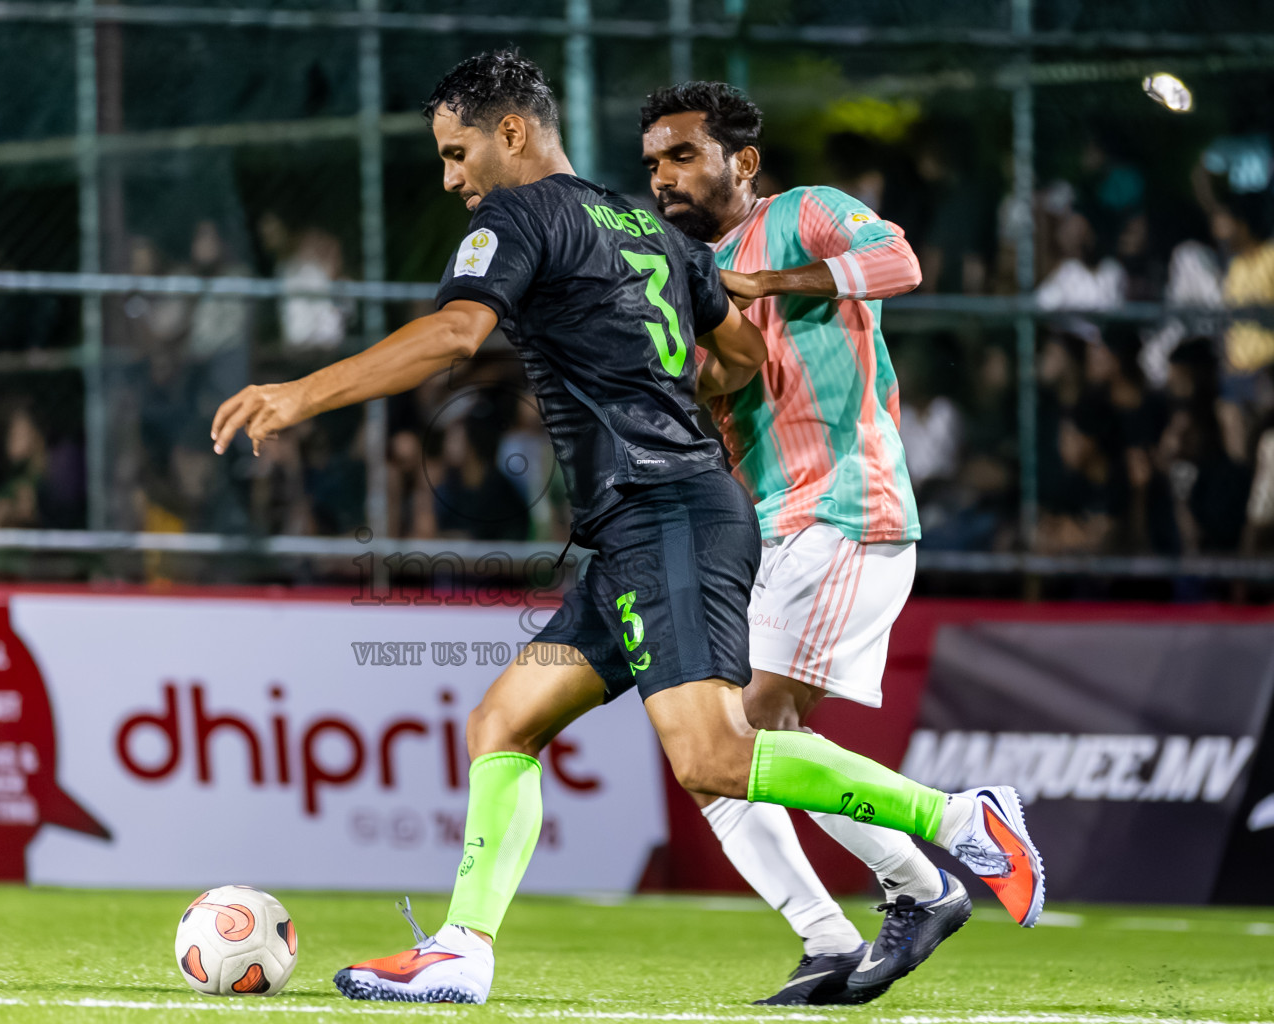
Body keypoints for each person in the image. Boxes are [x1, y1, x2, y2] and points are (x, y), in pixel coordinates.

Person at [211, 52, 1043, 1007]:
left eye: (455, 152)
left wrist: (298, 393)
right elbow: (734, 356)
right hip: (645, 520)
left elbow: (453, 336)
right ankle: (461, 950)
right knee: (504, 723)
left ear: (511, 133)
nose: (450, 177)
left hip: (671, 511)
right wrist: (640, 378)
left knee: (717, 754)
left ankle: (962, 820)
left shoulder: (519, 216)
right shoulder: (644, 225)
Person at [639, 81, 1020, 1004]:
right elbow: (695, 392)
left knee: (751, 729)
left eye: (683, 155)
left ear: (744, 160)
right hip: (770, 526)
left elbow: (899, 263)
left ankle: (922, 885)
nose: (663, 177)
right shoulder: (683, 274)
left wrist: (767, 284)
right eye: (652, 162)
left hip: (850, 504)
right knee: (709, 753)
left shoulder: (806, 213)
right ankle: (828, 936)